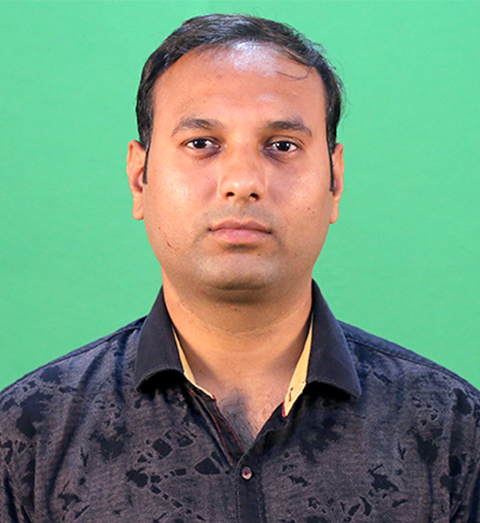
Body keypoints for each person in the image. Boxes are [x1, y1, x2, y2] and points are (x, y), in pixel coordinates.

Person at [0, 13, 478, 523]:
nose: (243, 181)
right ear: (139, 178)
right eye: (202, 143)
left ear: (335, 180)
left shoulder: (452, 430)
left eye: (282, 146)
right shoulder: (29, 433)